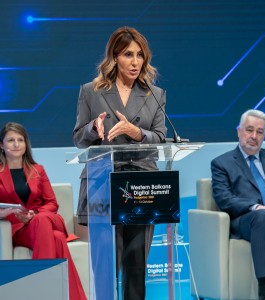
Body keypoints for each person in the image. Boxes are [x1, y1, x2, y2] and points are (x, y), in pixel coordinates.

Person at [73, 26, 167, 300]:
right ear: (115, 57)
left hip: (142, 186)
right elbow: (79, 138)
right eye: (128, 54)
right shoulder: (91, 91)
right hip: (104, 183)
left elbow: (161, 138)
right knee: (106, 266)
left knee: (136, 266)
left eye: (140, 55)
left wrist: (136, 132)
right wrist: (93, 128)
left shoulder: (155, 94)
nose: (135, 62)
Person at [211, 109, 265, 300]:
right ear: (239, 131)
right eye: (249, 130)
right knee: (262, 216)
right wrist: (257, 207)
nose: (254, 136)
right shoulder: (221, 163)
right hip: (247, 221)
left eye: (259, 132)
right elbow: (223, 198)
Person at [0, 122, 87, 300]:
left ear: (26, 144)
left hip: (44, 218)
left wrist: (34, 215)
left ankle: (41, 291)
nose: (16, 144)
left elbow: (51, 203)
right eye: (10, 140)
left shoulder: (38, 170)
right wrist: (5, 214)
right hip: (19, 228)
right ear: (1, 145)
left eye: (20, 140)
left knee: (41, 220)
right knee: (57, 239)